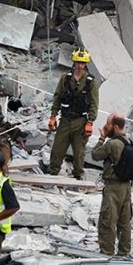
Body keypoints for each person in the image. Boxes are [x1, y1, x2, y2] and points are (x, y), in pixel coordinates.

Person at [48, 49, 100, 179]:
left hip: (80, 122)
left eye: (82, 63)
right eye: (78, 62)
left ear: (86, 64)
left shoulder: (90, 82)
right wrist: (53, 116)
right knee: (57, 149)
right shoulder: (66, 79)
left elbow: (94, 104)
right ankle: (52, 173)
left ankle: (78, 176)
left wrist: (90, 122)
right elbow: (57, 97)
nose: (80, 65)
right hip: (65, 119)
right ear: (74, 62)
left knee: (79, 152)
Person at [92, 114, 133, 256]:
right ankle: (124, 252)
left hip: (113, 187)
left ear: (115, 127)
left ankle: (106, 253)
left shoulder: (112, 144)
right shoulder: (129, 141)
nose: (106, 127)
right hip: (126, 187)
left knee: (107, 221)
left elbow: (95, 155)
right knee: (124, 223)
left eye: (108, 124)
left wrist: (102, 138)